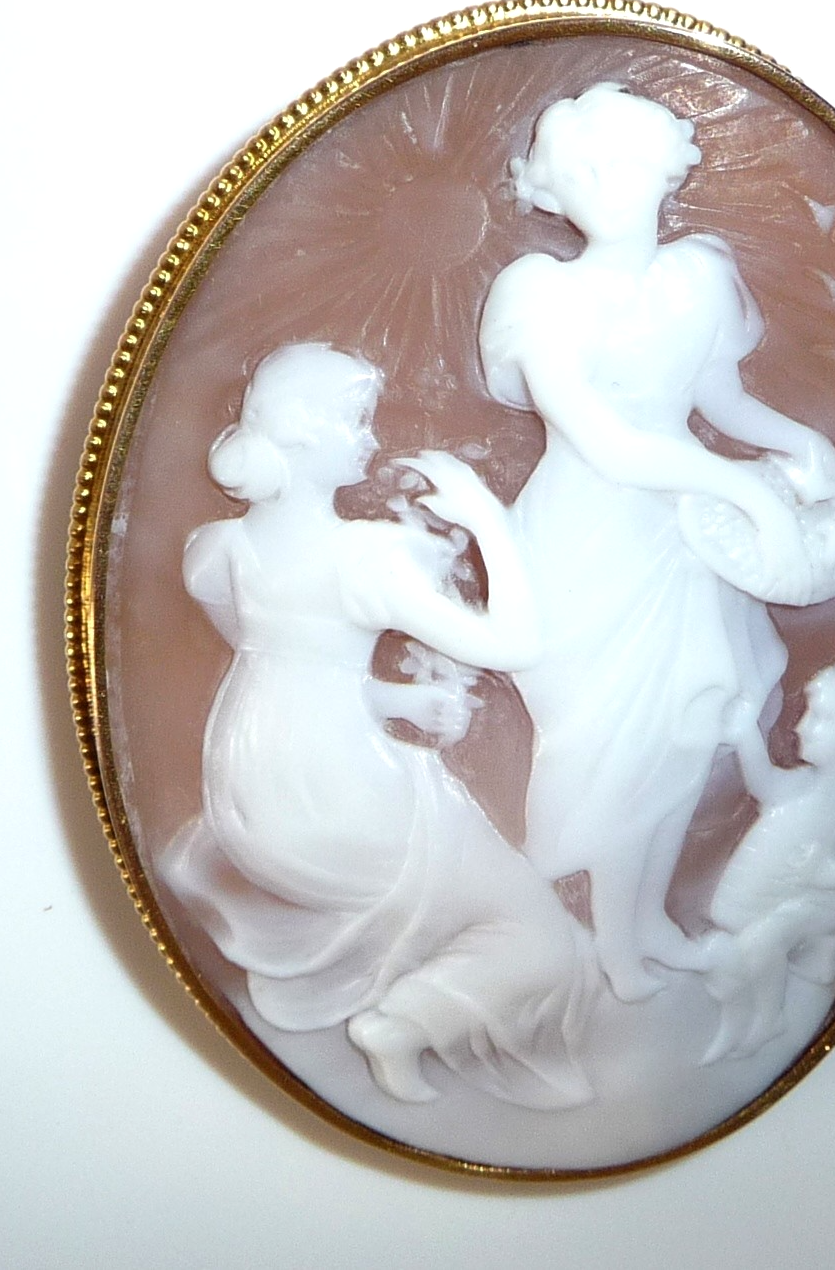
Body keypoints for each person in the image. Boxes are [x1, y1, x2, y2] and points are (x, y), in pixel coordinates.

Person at [479, 84, 835, 1001]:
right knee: (619, 744)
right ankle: (614, 943)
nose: (608, 188)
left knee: (689, 728)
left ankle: (645, 922)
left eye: (625, 167)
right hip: (590, 533)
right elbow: (603, 441)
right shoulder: (538, 292)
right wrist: (745, 495)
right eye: (584, 173)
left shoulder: (697, 279)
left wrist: (807, 448)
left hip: (682, 532)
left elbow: (723, 402)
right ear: (552, 190)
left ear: (665, 171)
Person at [160, 341, 594, 1110]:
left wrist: (389, 702)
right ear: (303, 430)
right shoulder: (367, 557)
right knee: (543, 937)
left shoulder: (216, 550)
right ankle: (401, 1022)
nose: (368, 438)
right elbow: (517, 644)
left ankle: (409, 996)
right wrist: (488, 520)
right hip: (343, 793)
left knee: (495, 907)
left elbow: (282, 663)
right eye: (354, 418)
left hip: (252, 788)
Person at [701, 660, 835, 1062]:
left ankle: (769, 1020)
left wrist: (823, 872)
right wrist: (746, 734)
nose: (801, 726)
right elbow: (764, 783)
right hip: (780, 890)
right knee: (735, 949)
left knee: (762, 942)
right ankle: (733, 1025)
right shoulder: (806, 783)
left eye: (820, 717)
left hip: (821, 902)